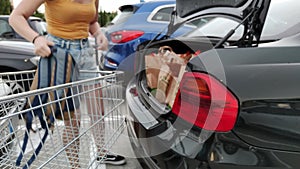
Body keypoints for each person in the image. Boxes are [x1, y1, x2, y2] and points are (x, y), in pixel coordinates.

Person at [9, 0, 126, 168]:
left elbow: (92, 21)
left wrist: (99, 33)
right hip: (59, 53)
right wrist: (36, 39)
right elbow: (16, 17)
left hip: (85, 51)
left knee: (97, 109)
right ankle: (75, 165)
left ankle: (101, 151)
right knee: (73, 118)